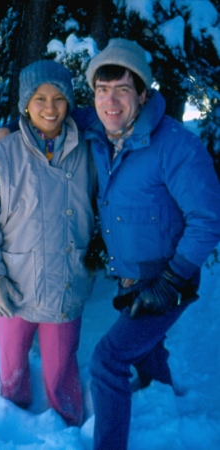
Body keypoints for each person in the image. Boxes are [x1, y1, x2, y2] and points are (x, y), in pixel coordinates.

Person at [84, 38, 220, 449]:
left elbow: (208, 220)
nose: (111, 101)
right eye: (102, 90)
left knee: (107, 361)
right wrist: (1, 139)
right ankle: (163, 400)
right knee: (143, 347)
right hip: (129, 277)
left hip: (167, 281)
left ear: (143, 94)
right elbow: (47, 116)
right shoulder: (100, 129)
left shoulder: (175, 146)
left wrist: (171, 281)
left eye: (123, 89)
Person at [0, 59, 96, 427]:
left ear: (69, 104)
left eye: (58, 99)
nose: (49, 108)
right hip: (15, 287)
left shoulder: (88, 150)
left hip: (67, 286)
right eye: (39, 98)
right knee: (13, 366)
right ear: (25, 104)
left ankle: (68, 428)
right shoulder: (4, 154)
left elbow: (107, 205)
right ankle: (11, 422)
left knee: (60, 368)